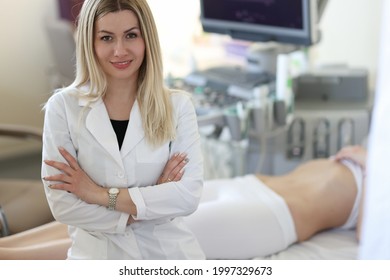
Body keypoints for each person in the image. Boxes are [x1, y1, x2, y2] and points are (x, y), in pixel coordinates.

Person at [41, 0, 205, 260]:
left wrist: (96, 194)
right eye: (106, 38)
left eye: (131, 35)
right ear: (90, 43)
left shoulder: (178, 105)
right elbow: (63, 206)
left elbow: (187, 197)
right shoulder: (63, 107)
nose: (120, 50)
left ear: (146, 39)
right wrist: (148, 202)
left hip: (169, 256)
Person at [1, 145, 366, 260]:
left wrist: (371, 166)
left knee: (131, 236)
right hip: (246, 185)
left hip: (268, 217)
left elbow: (374, 232)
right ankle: (7, 246)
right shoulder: (376, 148)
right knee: (111, 214)